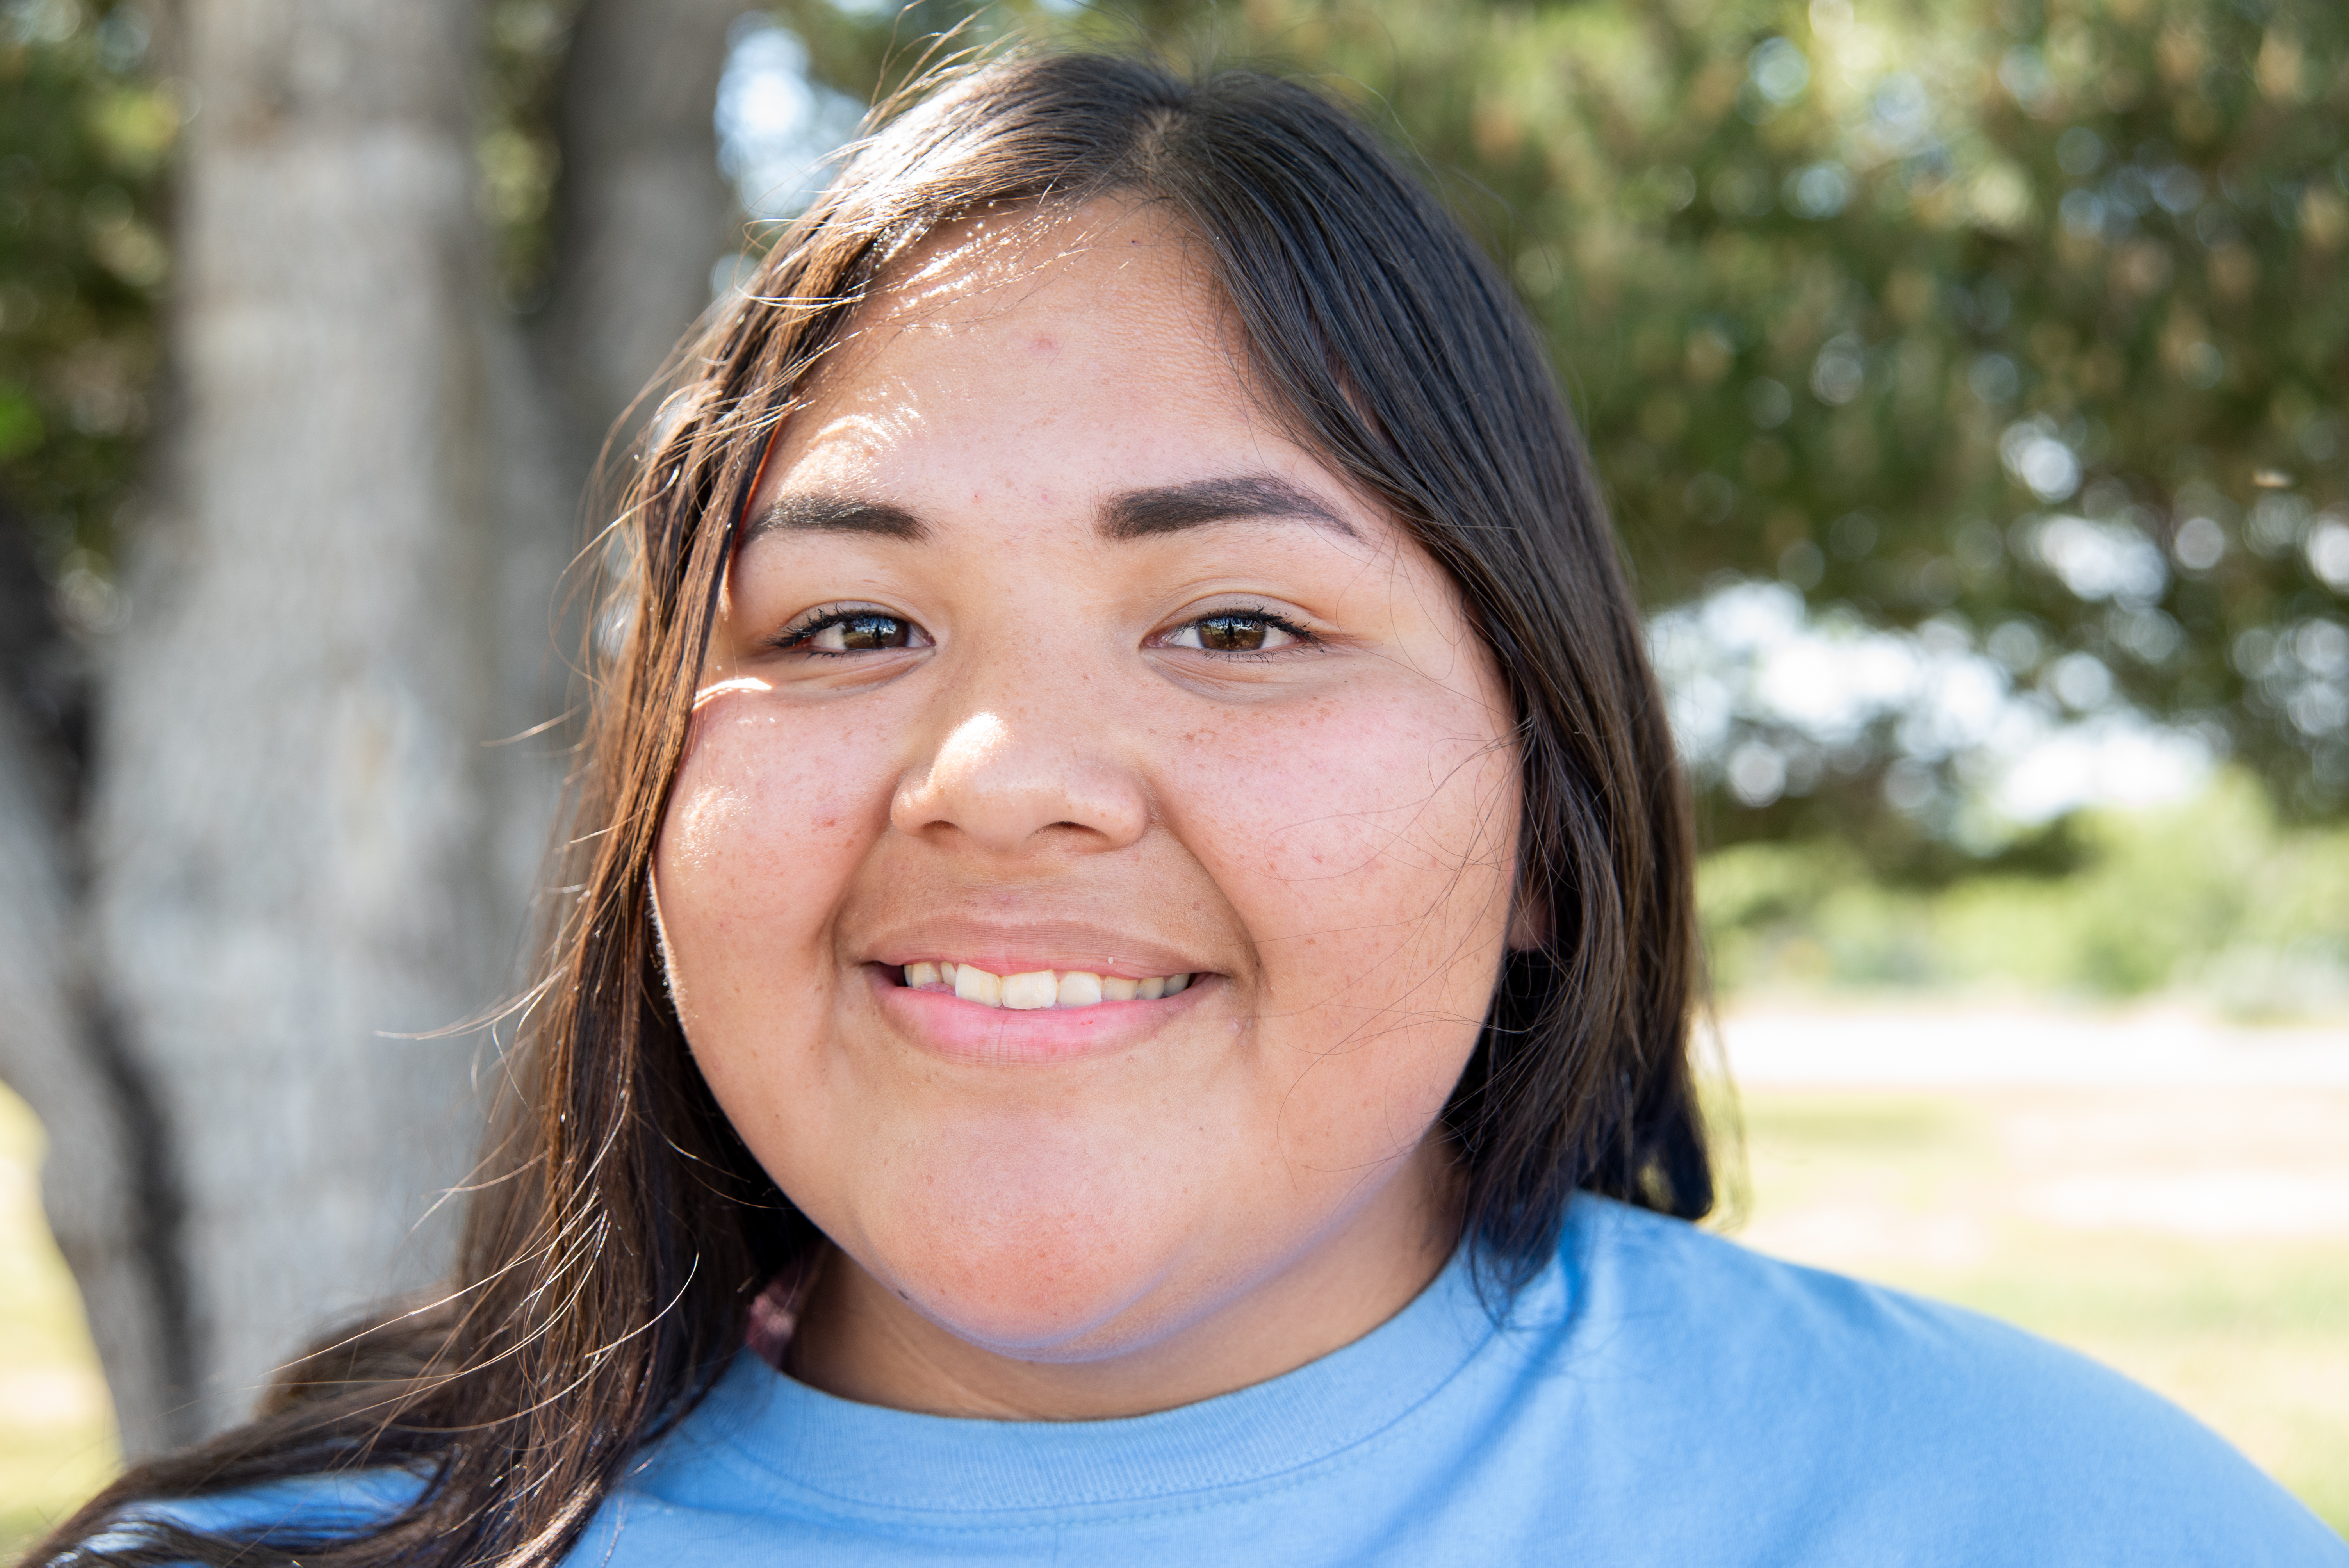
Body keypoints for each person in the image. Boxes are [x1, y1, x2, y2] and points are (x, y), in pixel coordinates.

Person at [38, 49, 2344, 1568]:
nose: (1008, 779)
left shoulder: (2051, 1520)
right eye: (848, 627)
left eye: (1237, 625)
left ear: (1549, 826)